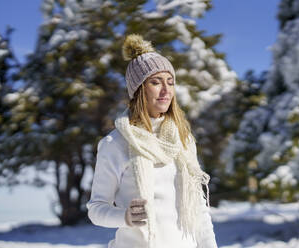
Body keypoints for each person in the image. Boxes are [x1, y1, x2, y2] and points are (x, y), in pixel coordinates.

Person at [86, 34, 218, 248]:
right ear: (138, 90)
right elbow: (96, 209)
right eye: (155, 82)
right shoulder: (115, 144)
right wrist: (125, 217)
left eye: (170, 82)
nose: (166, 90)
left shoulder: (182, 140)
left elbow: (199, 209)